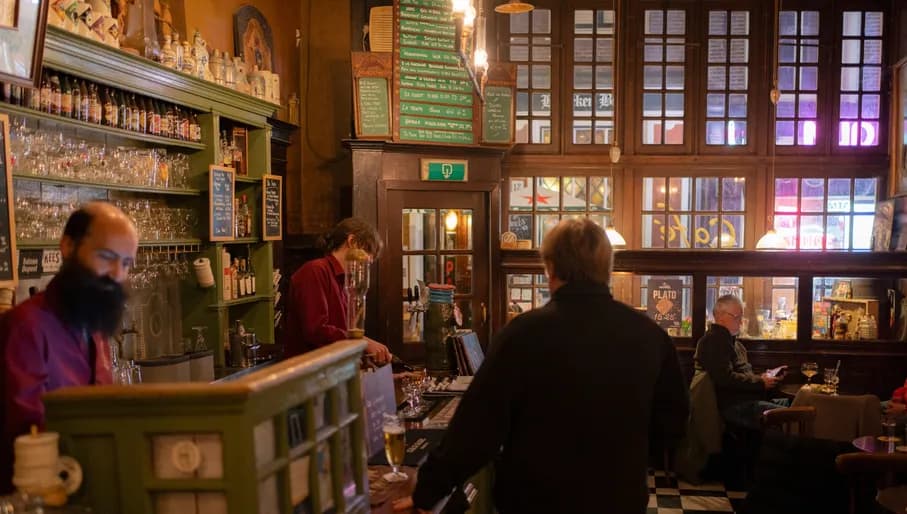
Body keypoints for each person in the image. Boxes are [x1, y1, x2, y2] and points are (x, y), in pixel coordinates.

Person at [394, 218, 689, 514]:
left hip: (535, 501)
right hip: (619, 499)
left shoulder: (521, 335)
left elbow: (475, 431)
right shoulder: (651, 335)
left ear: (549, 267)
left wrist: (427, 492)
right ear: (607, 267)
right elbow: (673, 423)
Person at [0, 202, 138, 493]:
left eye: (126, 263)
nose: (116, 274)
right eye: (106, 257)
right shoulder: (25, 326)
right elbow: (28, 430)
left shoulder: (93, 325)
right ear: (67, 246)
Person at [286, 217, 391, 364]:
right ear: (352, 241)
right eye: (368, 251)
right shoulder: (315, 271)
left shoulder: (347, 281)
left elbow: (343, 332)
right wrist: (363, 343)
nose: (369, 260)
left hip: (333, 370)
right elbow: (316, 331)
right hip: (310, 371)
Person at [694, 294, 786, 430]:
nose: (741, 322)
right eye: (737, 317)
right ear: (720, 317)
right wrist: (760, 382)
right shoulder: (713, 341)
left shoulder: (733, 343)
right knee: (793, 415)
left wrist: (764, 377)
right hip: (734, 407)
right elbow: (725, 379)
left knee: (797, 404)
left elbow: (740, 374)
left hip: (747, 401)